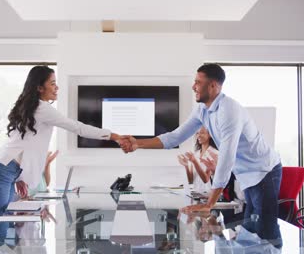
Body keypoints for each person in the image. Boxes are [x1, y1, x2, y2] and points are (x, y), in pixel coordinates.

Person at [120, 64, 283, 248]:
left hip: (265, 171)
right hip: (247, 175)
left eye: (198, 82)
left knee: (265, 233)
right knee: (249, 235)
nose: (193, 86)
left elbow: (227, 158)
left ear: (213, 86)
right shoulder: (202, 110)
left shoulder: (228, 111)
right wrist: (138, 143)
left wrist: (209, 204)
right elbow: (175, 137)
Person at [0, 66, 124, 245]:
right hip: (0, 170)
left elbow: (20, 143)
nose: (57, 88)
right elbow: (77, 127)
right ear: (39, 87)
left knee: (2, 229)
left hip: (7, 169)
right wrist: (113, 135)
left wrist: (20, 175)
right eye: (53, 83)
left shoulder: (33, 108)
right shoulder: (42, 109)